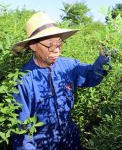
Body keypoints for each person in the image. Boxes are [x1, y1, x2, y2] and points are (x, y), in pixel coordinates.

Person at [10, 12, 110, 150]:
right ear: (33, 46)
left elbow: (92, 76)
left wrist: (103, 59)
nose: (57, 51)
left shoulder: (68, 66)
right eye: (50, 46)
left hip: (71, 141)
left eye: (59, 44)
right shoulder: (24, 80)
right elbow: (21, 133)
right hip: (42, 145)